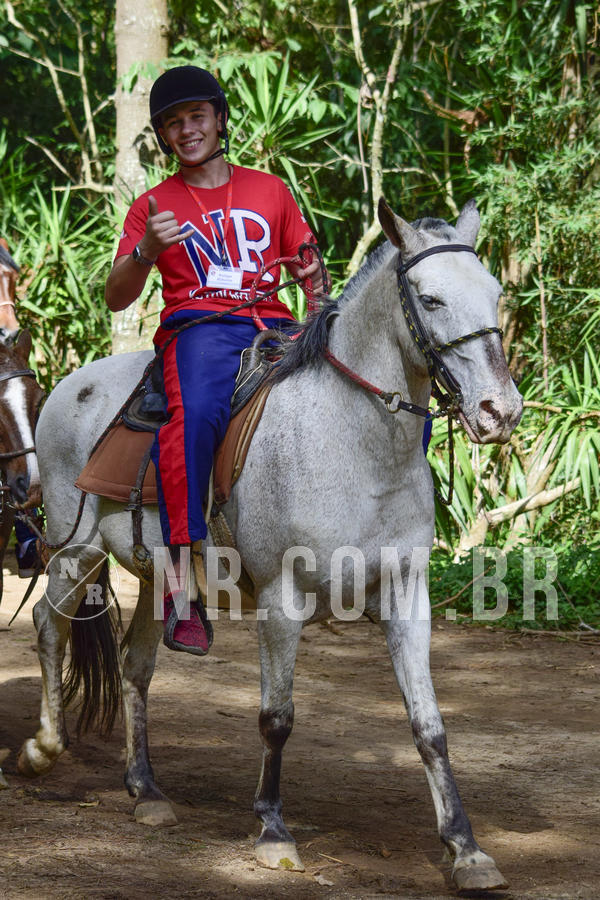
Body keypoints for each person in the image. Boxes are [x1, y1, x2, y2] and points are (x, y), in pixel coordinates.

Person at [105, 65, 327, 656]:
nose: (186, 130)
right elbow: (115, 295)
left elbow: (309, 271)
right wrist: (147, 250)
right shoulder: (152, 204)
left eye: (196, 116)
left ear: (220, 118)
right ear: (163, 137)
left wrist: (319, 304)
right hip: (199, 330)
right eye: (172, 124)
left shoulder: (270, 190)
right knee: (196, 414)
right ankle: (182, 586)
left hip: (274, 324)